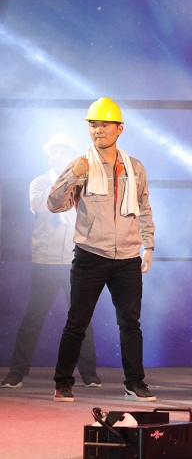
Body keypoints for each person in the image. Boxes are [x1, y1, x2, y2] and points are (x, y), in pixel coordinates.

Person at [48, 98, 155, 403]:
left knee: (131, 324)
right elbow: (54, 204)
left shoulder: (135, 167)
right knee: (77, 322)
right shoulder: (80, 165)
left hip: (128, 258)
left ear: (119, 129)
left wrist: (149, 245)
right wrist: (73, 175)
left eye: (104, 125)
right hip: (91, 254)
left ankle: (135, 383)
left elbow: (144, 208)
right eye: (93, 125)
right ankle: (63, 382)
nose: (98, 130)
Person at [1, 133, 101, 389]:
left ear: (72, 157)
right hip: (45, 262)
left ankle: (89, 373)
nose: (57, 156)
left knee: (81, 319)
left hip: (75, 261)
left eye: (63, 152)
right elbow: (40, 205)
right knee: (33, 318)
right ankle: (16, 373)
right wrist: (64, 180)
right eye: (54, 151)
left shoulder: (83, 184)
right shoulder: (39, 182)